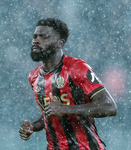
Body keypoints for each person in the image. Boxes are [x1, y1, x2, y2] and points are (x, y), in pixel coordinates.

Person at [19, 18, 117, 150]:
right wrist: (33, 126)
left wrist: (65, 109)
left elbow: (109, 107)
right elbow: (50, 113)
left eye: (43, 37)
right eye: (35, 36)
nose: (36, 41)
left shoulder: (77, 68)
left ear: (60, 43)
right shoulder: (34, 76)